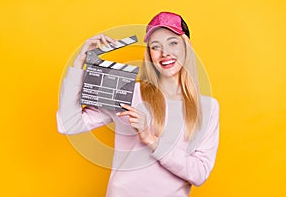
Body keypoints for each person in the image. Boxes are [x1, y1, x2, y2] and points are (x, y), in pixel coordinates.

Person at [57, 11, 219, 197]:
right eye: (156, 46)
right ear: (149, 53)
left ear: (186, 46)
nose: (165, 53)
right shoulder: (126, 92)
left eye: (172, 43)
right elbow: (68, 123)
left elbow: (199, 174)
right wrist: (79, 63)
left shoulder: (208, 108)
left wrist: (150, 138)